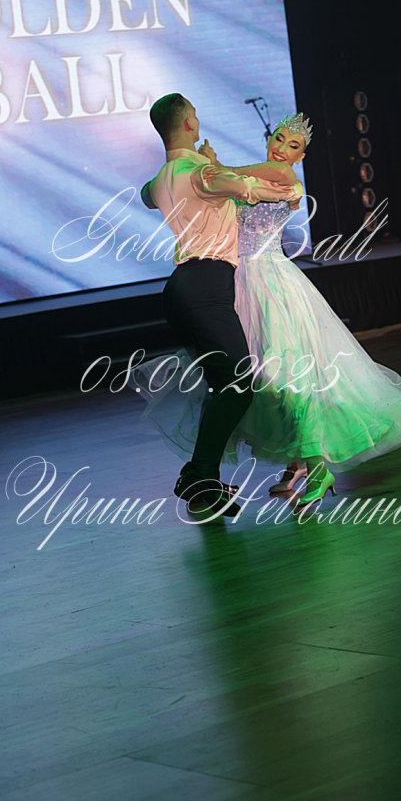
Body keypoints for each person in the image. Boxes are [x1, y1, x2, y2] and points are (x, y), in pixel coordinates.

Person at [136, 111, 401, 512]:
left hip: (271, 283)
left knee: (284, 374)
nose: (281, 148)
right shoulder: (244, 177)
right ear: (269, 138)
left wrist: (211, 165)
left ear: (301, 156)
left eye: (293, 146)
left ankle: (314, 466)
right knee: (257, 379)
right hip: (238, 284)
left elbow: (240, 179)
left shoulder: (284, 177)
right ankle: (295, 463)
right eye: (279, 138)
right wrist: (210, 169)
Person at [140, 93, 301, 517]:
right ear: (188, 125)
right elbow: (253, 187)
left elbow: (145, 195)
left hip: (183, 289)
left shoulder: (163, 178)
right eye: (195, 114)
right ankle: (198, 477)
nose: (197, 119)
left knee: (226, 386)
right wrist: (286, 186)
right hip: (205, 287)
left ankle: (202, 482)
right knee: (238, 384)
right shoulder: (202, 173)